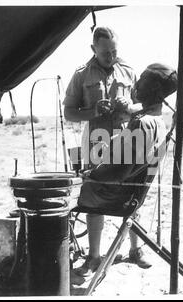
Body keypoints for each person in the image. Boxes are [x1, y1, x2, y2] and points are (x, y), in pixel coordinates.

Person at [75, 63, 178, 276]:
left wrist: (90, 174)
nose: (137, 85)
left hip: (117, 195)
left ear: (154, 91)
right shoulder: (158, 121)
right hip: (133, 193)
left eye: (142, 82)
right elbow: (134, 155)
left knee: (72, 192)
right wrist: (115, 142)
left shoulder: (141, 123)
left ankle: (92, 257)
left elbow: (118, 173)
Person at [64, 27, 145, 273]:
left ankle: (135, 250)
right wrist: (95, 111)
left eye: (114, 51)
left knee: (133, 191)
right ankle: (94, 257)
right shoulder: (81, 75)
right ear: (93, 49)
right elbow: (69, 112)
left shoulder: (129, 72)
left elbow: (145, 104)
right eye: (105, 52)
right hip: (96, 143)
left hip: (126, 140)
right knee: (93, 195)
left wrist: (130, 106)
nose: (110, 56)